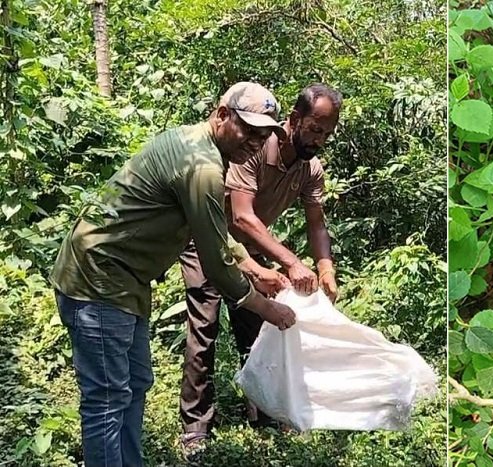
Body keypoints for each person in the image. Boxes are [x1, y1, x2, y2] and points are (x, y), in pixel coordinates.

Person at [50, 82, 295, 467]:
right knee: (107, 400)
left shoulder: (198, 146)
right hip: (98, 278)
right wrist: (266, 308)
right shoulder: (202, 167)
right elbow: (214, 264)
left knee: (134, 385)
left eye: (264, 134)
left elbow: (211, 230)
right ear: (222, 115)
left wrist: (252, 267)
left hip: (125, 282)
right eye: (249, 129)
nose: (256, 140)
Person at [178, 83, 343, 450]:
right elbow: (241, 218)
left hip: (253, 249)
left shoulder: (310, 169)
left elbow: (317, 223)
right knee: (204, 329)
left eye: (327, 134)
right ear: (294, 119)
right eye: (315, 129)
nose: (319, 140)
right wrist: (292, 262)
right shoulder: (255, 147)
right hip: (209, 241)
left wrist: (325, 267)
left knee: (262, 330)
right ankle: (196, 428)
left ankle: (264, 413)